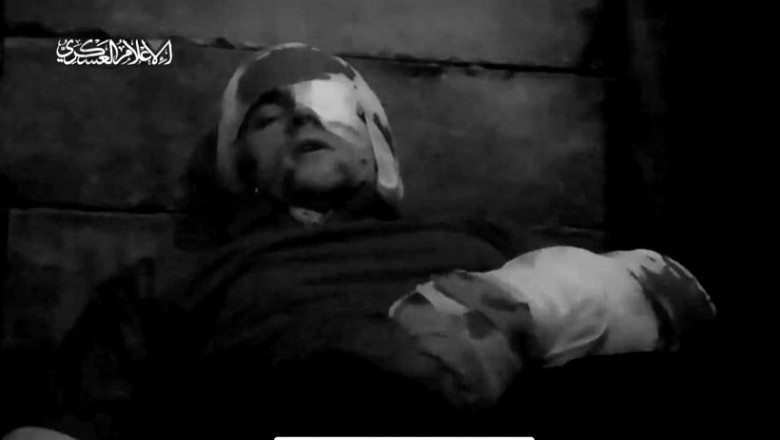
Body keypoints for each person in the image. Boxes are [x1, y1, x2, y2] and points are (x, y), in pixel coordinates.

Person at [3, 43, 717, 440]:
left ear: (373, 142)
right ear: (240, 160)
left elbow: (662, 300)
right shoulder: (172, 281)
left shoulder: (478, 240)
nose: (302, 121)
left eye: (327, 107)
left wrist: (496, 312)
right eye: (267, 117)